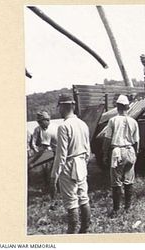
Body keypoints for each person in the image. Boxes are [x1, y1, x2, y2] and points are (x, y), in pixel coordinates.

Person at [50, 94, 91, 234]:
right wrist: (83, 164)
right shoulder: (83, 124)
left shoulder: (63, 126)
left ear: (62, 106)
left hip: (68, 164)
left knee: (71, 201)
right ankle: (85, 228)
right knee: (83, 197)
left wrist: (54, 175)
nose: (59, 110)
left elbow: (61, 155)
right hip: (81, 163)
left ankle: (72, 233)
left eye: (59, 107)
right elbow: (88, 150)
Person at [103, 95, 139, 217]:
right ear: (128, 107)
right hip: (130, 150)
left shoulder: (112, 121)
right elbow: (136, 142)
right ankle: (128, 207)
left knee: (116, 182)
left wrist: (104, 153)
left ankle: (116, 209)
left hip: (117, 151)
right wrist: (135, 154)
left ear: (117, 107)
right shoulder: (133, 121)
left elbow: (107, 140)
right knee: (129, 180)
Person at [30, 111, 57, 189]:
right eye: (38, 122)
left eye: (41, 122)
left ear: (47, 120)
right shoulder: (54, 126)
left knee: (52, 173)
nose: (39, 124)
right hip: (58, 151)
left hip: (58, 153)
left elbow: (42, 150)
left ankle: (52, 192)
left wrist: (32, 162)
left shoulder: (47, 131)